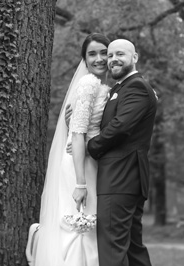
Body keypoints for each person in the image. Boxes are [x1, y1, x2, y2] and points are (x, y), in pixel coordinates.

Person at [25, 33, 113, 266]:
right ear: (84, 59)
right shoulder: (89, 84)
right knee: (80, 225)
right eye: (92, 54)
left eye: (104, 52)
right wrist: (81, 183)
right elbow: (77, 134)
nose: (99, 58)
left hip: (88, 160)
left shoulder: (102, 86)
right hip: (79, 163)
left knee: (84, 224)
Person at [87, 39, 157, 266]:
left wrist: (91, 147)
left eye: (120, 54)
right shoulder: (121, 88)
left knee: (112, 250)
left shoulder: (136, 86)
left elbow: (120, 127)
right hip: (126, 178)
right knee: (133, 250)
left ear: (134, 57)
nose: (113, 59)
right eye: (110, 55)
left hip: (120, 176)